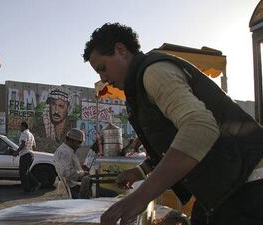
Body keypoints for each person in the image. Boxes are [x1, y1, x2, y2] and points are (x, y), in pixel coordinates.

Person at [83, 22, 263, 225]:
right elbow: (173, 144)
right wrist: (140, 172)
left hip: (250, 184)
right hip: (224, 187)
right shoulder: (139, 88)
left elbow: (200, 127)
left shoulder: (154, 72)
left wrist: (142, 195)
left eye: (102, 68)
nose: (103, 78)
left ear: (121, 50)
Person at [54, 128, 90, 199]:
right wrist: (82, 173)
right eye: (79, 142)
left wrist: (80, 168)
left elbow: (68, 167)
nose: (80, 145)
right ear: (72, 140)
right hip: (73, 187)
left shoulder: (66, 150)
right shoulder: (66, 152)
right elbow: (66, 172)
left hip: (72, 185)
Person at [13, 121, 41, 194]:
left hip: (25, 155)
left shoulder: (24, 133)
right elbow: (34, 146)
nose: (20, 128)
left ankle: (29, 188)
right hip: (30, 155)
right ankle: (33, 185)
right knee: (26, 172)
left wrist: (17, 152)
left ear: (24, 127)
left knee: (23, 173)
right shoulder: (31, 134)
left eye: (20, 126)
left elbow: (23, 144)